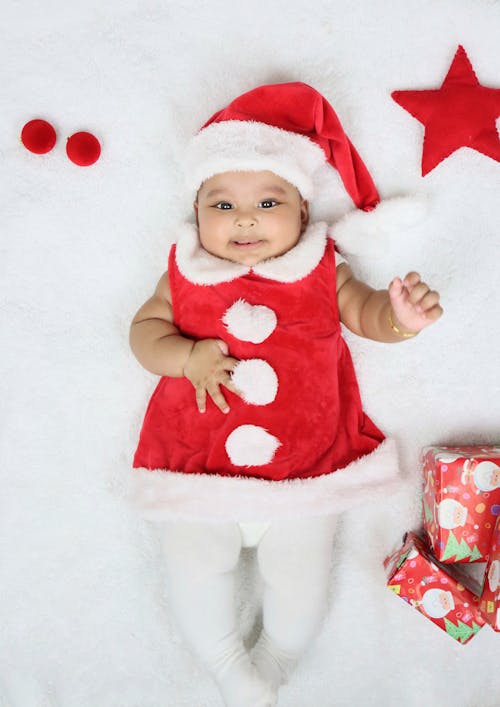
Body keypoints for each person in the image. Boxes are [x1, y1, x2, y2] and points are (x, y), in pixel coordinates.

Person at [128, 82, 443, 707]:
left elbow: (366, 313)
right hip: (200, 465)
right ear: (195, 216)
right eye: (221, 204)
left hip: (307, 470)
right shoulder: (185, 271)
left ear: (304, 213)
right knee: (194, 560)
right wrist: (185, 355)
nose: (244, 218)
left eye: (268, 200)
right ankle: (223, 662)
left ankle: (275, 661)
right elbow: (142, 335)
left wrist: (399, 316)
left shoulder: (323, 268)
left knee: (300, 579)